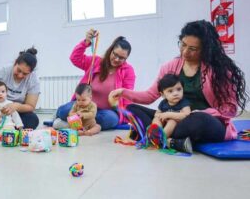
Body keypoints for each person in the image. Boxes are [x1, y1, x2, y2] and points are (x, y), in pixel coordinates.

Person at [109, 20, 248, 152]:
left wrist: (198, 113)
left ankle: (157, 136)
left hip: (203, 121)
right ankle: (172, 140)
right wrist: (123, 92)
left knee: (198, 120)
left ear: (205, 49)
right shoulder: (170, 67)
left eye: (192, 48)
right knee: (131, 109)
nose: (185, 52)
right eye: (183, 44)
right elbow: (150, 96)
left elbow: (229, 109)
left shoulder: (220, 71)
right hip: (174, 119)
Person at [54, 29, 135, 131]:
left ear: (126, 58)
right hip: (82, 106)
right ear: (111, 50)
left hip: (104, 112)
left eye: (122, 58)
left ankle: (71, 123)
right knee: (63, 111)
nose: (117, 59)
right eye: (115, 54)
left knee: (111, 119)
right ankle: (85, 124)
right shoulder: (96, 62)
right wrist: (86, 42)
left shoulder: (128, 71)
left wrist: (127, 116)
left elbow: (127, 96)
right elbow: (75, 58)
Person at [152, 74, 191, 152]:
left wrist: (168, 114)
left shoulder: (183, 102)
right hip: (164, 123)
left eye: (179, 89)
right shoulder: (163, 103)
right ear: (163, 95)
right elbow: (157, 113)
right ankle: (156, 134)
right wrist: (160, 117)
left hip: (178, 126)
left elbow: (187, 115)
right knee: (156, 119)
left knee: (172, 121)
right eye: (170, 91)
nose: (175, 93)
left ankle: (161, 139)